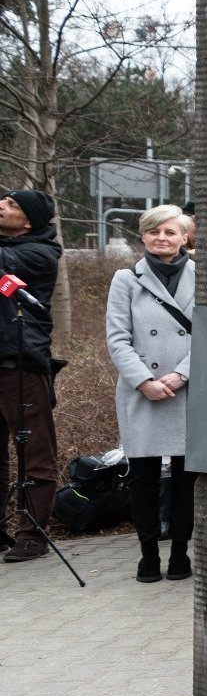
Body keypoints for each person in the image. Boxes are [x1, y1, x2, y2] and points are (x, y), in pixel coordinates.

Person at [105, 205, 197, 584]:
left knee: (184, 476)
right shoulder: (125, 279)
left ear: (184, 237)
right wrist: (144, 381)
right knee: (141, 475)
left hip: (186, 388)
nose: (162, 237)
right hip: (140, 389)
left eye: (170, 232)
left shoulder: (202, 275)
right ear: (142, 237)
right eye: (153, 231)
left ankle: (179, 554)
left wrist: (181, 375)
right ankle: (146, 554)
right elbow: (117, 338)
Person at [0, 189, 62, 564]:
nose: (1, 205)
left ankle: (32, 534)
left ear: (28, 222)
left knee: (34, 453)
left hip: (20, 366)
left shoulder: (39, 253)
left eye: (11, 204)